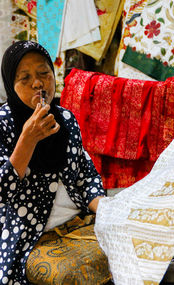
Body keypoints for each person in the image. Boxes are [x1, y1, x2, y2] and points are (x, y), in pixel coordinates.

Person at [0, 40, 106, 283]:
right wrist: (27, 140)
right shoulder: (3, 124)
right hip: (29, 235)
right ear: (10, 84)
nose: (37, 83)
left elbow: (85, 175)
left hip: (77, 224)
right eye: (24, 77)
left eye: (44, 73)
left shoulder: (66, 118)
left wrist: (107, 211)